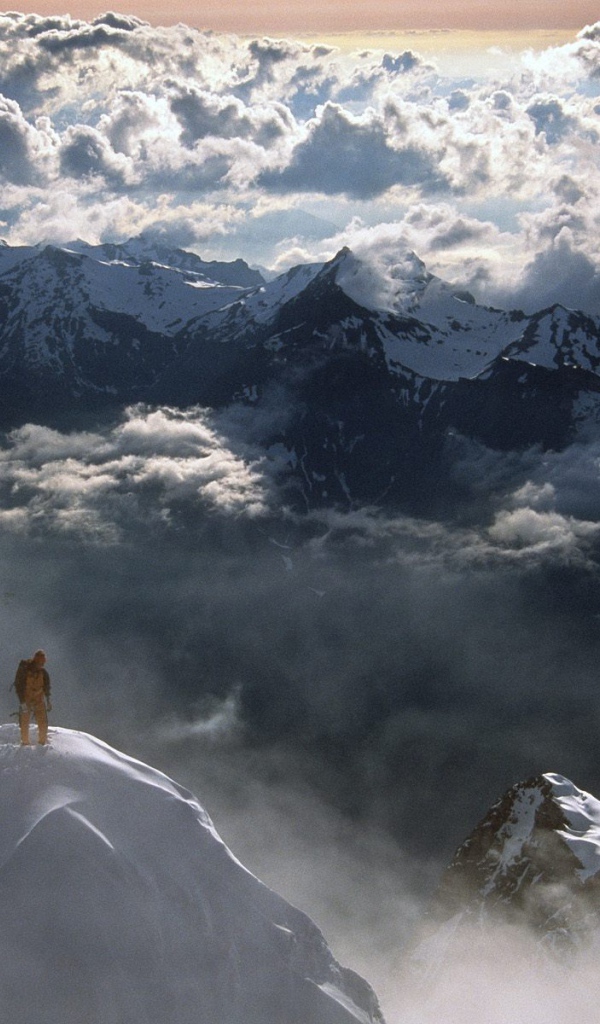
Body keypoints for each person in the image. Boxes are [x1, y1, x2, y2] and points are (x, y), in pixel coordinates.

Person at [14, 649, 52, 746]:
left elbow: (46, 687)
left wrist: (48, 701)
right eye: (41, 662)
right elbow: (19, 686)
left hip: (38, 700)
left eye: (43, 663)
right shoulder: (25, 671)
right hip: (26, 699)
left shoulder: (43, 673)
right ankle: (25, 742)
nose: (42, 665)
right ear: (36, 661)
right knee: (25, 721)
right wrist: (22, 702)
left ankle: (42, 742)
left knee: (43, 721)